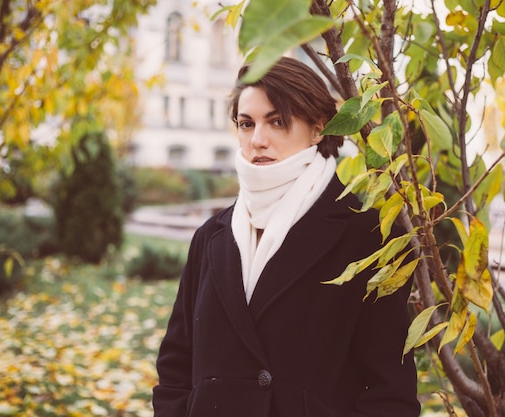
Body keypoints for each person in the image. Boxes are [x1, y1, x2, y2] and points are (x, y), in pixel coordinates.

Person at [152, 56, 420, 417]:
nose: (257, 140)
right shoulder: (210, 238)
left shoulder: (370, 237)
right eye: (246, 124)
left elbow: (390, 393)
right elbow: (176, 366)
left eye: (277, 121)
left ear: (318, 127)